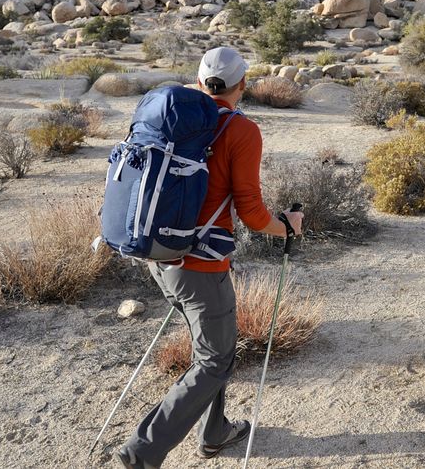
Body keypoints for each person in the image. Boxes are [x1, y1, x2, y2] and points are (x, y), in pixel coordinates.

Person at [115, 47, 304, 468]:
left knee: (213, 352)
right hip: (202, 268)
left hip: (159, 256)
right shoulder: (241, 130)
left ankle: (215, 432)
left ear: (199, 81)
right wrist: (288, 225)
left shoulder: (174, 115)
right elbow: (254, 217)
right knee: (214, 359)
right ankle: (141, 453)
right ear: (243, 85)